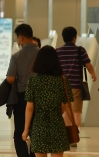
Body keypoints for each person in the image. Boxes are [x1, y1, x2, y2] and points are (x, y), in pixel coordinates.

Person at [22, 46, 74, 157]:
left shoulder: (33, 81)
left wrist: (26, 129)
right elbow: (67, 106)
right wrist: (74, 126)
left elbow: (30, 107)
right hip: (57, 127)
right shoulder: (63, 81)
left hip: (39, 127)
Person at [56, 26, 97, 147]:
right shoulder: (80, 50)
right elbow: (88, 65)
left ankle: (64, 136)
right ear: (75, 38)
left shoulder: (57, 51)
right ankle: (73, 137)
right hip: (75, 86)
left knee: (64, 111)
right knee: (76, 111)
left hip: (60, 85)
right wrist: (94, 75)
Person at [6, 23, 38, 157]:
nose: (16, 40)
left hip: (22, 97)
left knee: (19, 130)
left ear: (21, 38)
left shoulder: (16, 56)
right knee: (36, 129)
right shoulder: (42, 53)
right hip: (39, 97)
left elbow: (10, 79)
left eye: (16, 38)